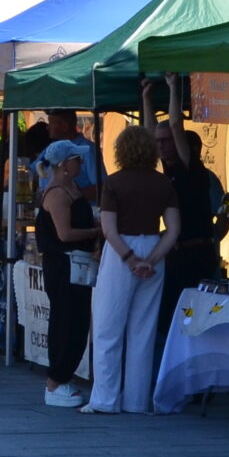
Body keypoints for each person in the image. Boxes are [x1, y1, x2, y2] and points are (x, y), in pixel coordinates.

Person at [86, 124, 177, 414]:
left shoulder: (113, 183)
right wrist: (150, 259)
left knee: (107, 328)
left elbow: (108, 229)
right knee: (143, 330)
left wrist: (129, 259)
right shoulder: (164, 183)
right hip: (154, 248)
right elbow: (173, 230)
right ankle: (137, 401)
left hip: (120, 252)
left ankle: (105, 399)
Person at [156, 123, 229, 354]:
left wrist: (208, 239)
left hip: (200, 255)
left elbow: (223, 216)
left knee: (199, 312)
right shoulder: (170, 175)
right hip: (177, 255)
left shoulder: (204, 178)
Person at [35, 149, 100, 408]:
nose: (81, 162)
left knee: (76, 321)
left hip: (76, 265)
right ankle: (55, 381)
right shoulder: (58, 194)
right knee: (66, 320)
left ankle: (62, 376)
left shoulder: (70, 188)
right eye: (76, 159)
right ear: (64, 164)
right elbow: (64, 233)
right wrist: (97, 230)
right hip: (64, 265)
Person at [34, 109, 98, 191]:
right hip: (47, 202)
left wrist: (71, 198)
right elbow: (31, 170)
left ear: (65, 127)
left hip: (72, 203)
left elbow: (100, 187)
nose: (47, 127)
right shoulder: (51, 148)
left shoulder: (88, 150)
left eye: (51, 123)